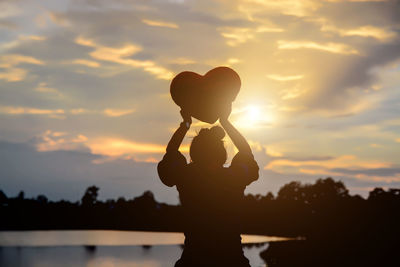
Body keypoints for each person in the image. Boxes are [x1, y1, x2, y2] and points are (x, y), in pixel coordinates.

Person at [157, 106, 259, 267]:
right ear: (222, 154)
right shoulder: (234, 177)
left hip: (194, 260)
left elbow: (170, 154)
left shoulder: (186, 177)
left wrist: (185, 124)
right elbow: (246, 153)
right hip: (232, 260)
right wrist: (226, 122)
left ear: (194, 153)